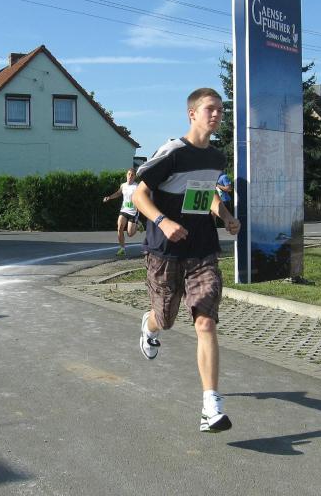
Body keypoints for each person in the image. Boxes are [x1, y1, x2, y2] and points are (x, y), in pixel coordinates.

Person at [132, 87, 241, 433]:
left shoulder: (216, 158)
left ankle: (211, 406)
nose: (217, 114)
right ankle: (149, 326)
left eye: (220, 109)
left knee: (205, 323)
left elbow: (205, 194)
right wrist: (163, 221)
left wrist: (225, 216)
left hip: (202, 250)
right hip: (165, 252)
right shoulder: (173, 152)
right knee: (165, 319)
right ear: (192, 114)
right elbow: (139, 195)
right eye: (210, 109)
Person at [102, 168, 139, 256]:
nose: (130, 176)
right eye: (129, 174)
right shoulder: (123, 185)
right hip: (124, 210)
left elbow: (141, 198)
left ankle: (138, 224)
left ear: (135, 177)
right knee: (119, 228)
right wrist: (109, 197)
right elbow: (118, 193)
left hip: (133, 212)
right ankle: (122, 249)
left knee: (130, 234)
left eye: (132, 175)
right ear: (126, 175)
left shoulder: (137, 186)